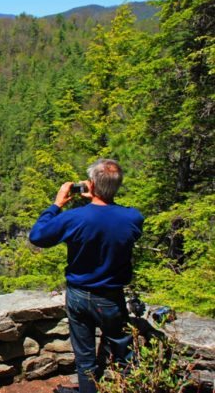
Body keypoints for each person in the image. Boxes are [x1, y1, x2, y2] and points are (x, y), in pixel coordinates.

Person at [29, 159, 144, 393]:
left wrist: (56, 204)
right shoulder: (132, 218)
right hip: (111, 297)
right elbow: (115, 224)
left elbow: (38, 236)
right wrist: (98, 197)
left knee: (85, 359)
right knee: (123, 353)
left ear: (91, 185)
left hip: (79, 295)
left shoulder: (75, 218)